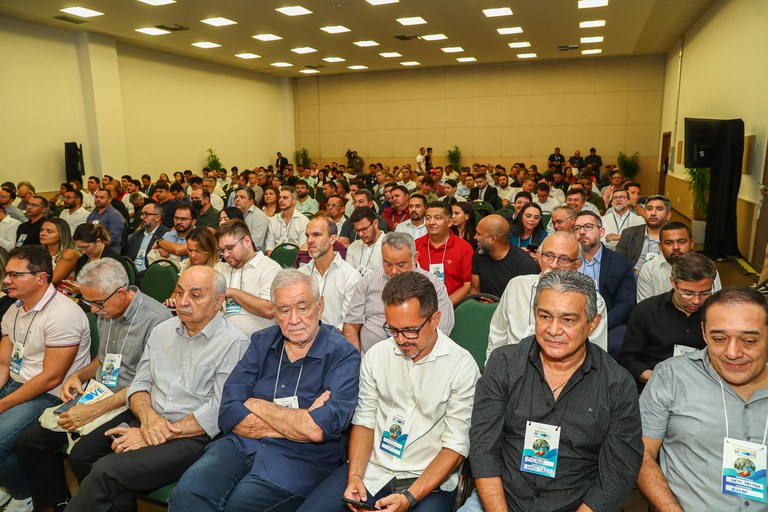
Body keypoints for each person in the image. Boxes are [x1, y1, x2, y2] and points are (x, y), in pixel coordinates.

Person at [61, 266, 248, 512]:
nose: (183, 302)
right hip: (149, 417)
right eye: (180, 292)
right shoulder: (163, 330)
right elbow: (139, 384)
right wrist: (149, 420)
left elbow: (218, 410)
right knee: (82, 454)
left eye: (195, 295)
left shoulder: (234, 342)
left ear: (218, 301)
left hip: (192, 433)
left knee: (107, 471)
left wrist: (157, 433)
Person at [171, 270, 360, 511]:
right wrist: (298, 421)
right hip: (239, 445)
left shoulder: (342, 354)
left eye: (303, 308)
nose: (293, 320)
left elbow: (318, 429)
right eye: (284, 310)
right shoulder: (261, 342)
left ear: (320, 306)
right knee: (188, 493)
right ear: (274, 312)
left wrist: (255, 404)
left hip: (300, 459)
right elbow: (228, 411)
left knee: (241, 505)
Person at [464, 270, 642, 512]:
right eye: (545, 316)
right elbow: (483, 449)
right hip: (500, 500)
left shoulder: (617, 385)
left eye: (568, 320)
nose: (553, 330)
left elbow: (616, 478)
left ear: (592, 324)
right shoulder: (504, 364)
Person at [302, 271, 480, 512]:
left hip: (427, 481)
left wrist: (409, 498)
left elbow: (456, 447)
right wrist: (355, 476)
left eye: (410, 330)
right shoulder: (377, 355)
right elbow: (364, 421)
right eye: (393, 329)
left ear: (435, 319)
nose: (401, 340)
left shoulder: (461, 366)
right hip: (373, 470)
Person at [16, 259, 172, 512]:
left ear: (121, 293)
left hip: (135, 400)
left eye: (98, 303)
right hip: (100, 392)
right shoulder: (107, 309)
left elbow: (150, 382)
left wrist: (93, 410)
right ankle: (58, 503)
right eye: (90, 303)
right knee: (30, 442)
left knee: (84, 455)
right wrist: (78, 375)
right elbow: (102, 358)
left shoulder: (158, 320)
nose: (95, 311)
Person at [637, 288, 768, 511]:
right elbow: (641, 455)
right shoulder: (672, 376)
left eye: (748, 341)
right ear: (704, 332)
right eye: (719, 339)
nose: (733, 352)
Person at [0, 246, 91, 512]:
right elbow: (4, 362)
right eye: (7, 274)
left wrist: (3, 404)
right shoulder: (14, 309)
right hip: (18, 383)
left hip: (50, 395)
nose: (6, 280)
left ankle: (23, 493)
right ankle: (12, 483)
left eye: (15, 275)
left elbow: (51, 378)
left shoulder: (63, 314)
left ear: (41, 277)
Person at [487, 231, 609, 361]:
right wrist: (493, 368)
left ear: (577, 265)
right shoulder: (516, 286)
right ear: (539, 256)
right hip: (512, 369)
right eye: (549, 256)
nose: (554, 265)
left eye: (564, 259)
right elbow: (497, 333)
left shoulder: (593, 300)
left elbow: (595, 353)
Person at [343, 232, 455, 353]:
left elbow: (441, 332)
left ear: (415, 257)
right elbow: (351, 326)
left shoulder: (435, 286)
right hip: (371, 359)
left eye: (401, 264)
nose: (394, 271)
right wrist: (354, 362)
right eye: (388, 264)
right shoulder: (368, 282)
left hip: (417, 360)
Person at [618, 252, 716, 389]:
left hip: (703, 386)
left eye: (705, 293)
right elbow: (628, 359)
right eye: (688, 293)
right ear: (673, 283)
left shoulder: (718, 314)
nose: (696, 300)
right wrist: (659, 380)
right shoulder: (646, 311)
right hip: (654, 384)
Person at [573, 211, 636, 357]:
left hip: (607, 320)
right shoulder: (566, 260)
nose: (582, 232)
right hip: (570, 317)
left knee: (619, 341)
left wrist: (599, 325)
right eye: (577, 228)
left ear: (601, 232)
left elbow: (625, 303)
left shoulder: (621, 263)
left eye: (588, 227)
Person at [215, 219, 281, 335]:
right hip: (222, 340)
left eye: (230, 248)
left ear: (247, 241)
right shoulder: (220, 268)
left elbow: (269, 309)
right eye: (222, 250)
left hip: (257, 344)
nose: (225, 255)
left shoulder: (270, 268)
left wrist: (232, 292)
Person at [298, 218, 360, 329]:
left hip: (334, 342)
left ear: (333, 239)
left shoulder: (350, 276)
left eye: (316, 235)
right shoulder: (300, 275)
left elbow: (348, 325)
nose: (309, 240)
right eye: (307, 236)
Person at [637, 222, 722, 302]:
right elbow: (646, 308)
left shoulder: (707, 267)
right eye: (669, 243)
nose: (676, 247)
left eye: (681, 242)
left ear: (692, 243)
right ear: (660, 247)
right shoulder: (649, 269)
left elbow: (716, 304)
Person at [415, 202, 474, 306]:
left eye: (438, 218)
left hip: (453, 307)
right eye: (428, 218)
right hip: (420, 308)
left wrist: (443, 306)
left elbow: (467, 286)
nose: (431, 222)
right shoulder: (415, 246)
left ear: (450, 222)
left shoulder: (464, 248)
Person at [471, 214, 539, 298]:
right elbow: (474, 290)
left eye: (478, 233)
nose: (475, 237)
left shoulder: (525, 264)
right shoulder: (479, 253)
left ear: (492, 239)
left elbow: (526, 302)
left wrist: (495, 306)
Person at [616, 195, 671, 273]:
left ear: (668, 215)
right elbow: (617, 261)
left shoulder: (674, 237)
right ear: (645, 213)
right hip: (634, 277)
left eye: (659, 209)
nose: (653, 213)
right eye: (649, 209)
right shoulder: (629, 233)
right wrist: (635, 272)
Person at [63, 224, 122, 297]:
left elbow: (113, 292)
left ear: (98, 241)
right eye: (79, 248)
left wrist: (83, 290)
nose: (83, 252)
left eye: (85, 247)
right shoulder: (83, 260)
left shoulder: (113, 262)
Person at [125, 203, 168, 277]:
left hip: (150, 275)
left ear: (157, 217)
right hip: (132, 272)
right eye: (142, 214)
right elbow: (129, 257)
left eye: (146, 214)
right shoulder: (137, 234)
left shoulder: (166, 235)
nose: (142, 217)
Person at [265, 187, 309, 256]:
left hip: (296, 260)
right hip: (275, 259)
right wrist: (273, 262)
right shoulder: (274, 219)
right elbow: (270, 245)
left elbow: (303, 247)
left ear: (294, 201)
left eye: (285, 198)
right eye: (280, 198)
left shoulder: (303, 221)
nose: (281, 200)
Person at [39, 218, 79, 289]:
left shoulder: (69, 253)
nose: (42, 233)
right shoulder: (40, 252)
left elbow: (52, 281)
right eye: (42, 230)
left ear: (61, 234)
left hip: (61, 295)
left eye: (49, 231)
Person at [345, 207, 385, 276]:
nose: (360, 234)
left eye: (364, 229)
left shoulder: (391, 245)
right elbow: (348, 277)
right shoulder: (353, 247)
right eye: (357, 230)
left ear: (375, 223)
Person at [234, 187, 269, 251]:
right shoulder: (234, 213)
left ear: (251, 201)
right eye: (236, 197)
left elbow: (255, 244)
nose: (237, 200)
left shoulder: (259, 216)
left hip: (254, 254)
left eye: (242, 197)